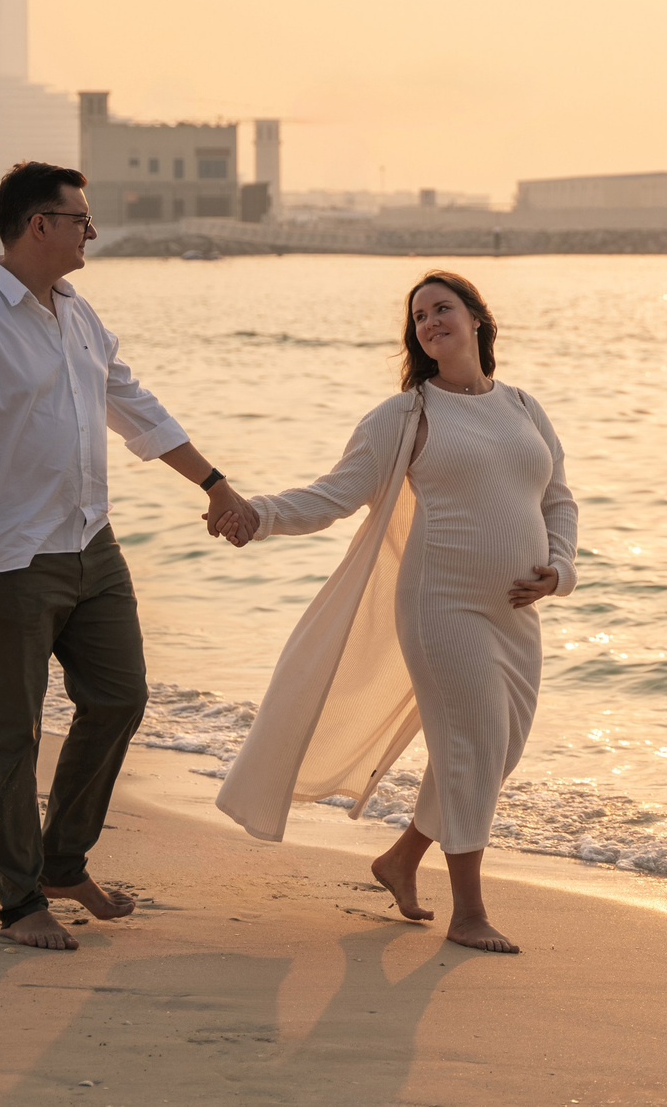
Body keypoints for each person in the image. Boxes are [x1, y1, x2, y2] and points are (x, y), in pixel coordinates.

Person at [0, 160, 253, 951]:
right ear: (40, 225)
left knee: (121, 697)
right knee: (11, 734)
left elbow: (132, 405)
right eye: (80, 220)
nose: (89, 233)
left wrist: (214, 483)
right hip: (5, 561)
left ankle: (64, 861)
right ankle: (21, 900)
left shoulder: (77, 314)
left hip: (92, 548)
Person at [216, 270, 577, 953]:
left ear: (477, 319)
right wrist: (257, 515)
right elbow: (336, 494)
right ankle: (468, 911)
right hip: (441, 605)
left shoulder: (524, 407)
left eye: (443, 308)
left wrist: (560, 572)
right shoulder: (408, 414)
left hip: (516, 613)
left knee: (497, 750)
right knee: (470, 745)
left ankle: (402, 858)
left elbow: (557, 498)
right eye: (418, 316)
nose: (430, 321)